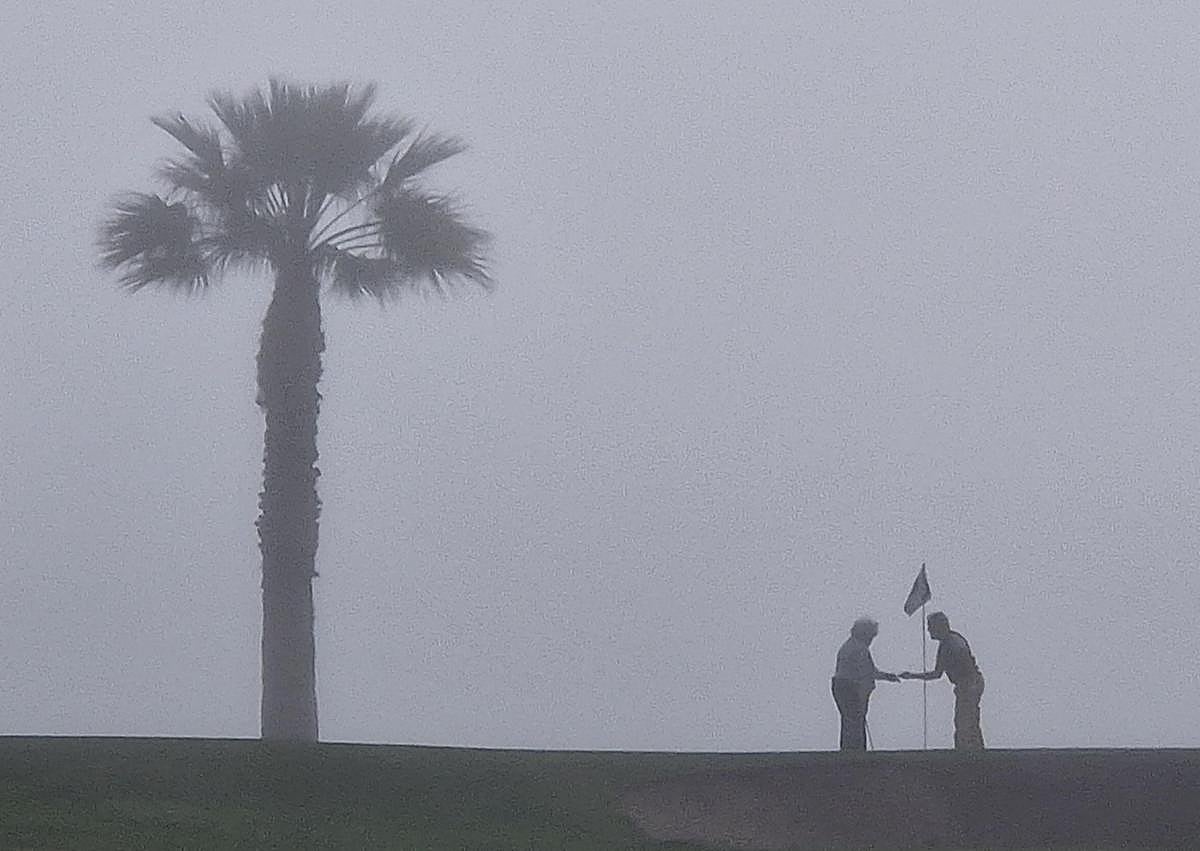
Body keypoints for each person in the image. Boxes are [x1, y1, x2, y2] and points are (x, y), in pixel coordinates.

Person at [899, 611, 985, 750]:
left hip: (969, 683)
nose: (928, 630)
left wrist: (965, 682)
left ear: (939, 627)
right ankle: (972, 750)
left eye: (930, 626)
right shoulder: (948, 643)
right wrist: (913, 676)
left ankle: (969, 752)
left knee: (965, 721)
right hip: (968, 683)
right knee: (967, 720)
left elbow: (961, 665)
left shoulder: (953, 642)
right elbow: (937, 673)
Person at [831, 617, 900, 751]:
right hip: (850, 687)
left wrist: (885, 676)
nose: (871, 640)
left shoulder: (849, 646)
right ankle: (856, 752)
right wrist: (884, 678)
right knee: (856, 721)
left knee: (848, 721)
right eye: (871, 636)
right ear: (865, 634)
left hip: (840, 685)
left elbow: (868, 671)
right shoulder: (859, 649)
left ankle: (848, 750)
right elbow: (868, 673)